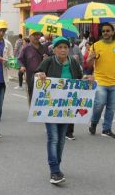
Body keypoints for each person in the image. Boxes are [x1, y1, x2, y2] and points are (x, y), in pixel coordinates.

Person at [35, 36, 89, 184]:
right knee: (53, 138)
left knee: (61, 139)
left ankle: (56, 164)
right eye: (60, 47)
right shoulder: (48, 61)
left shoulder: (73, 62)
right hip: (50, 107)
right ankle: (54, 171)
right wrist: (40, 75)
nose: (63, 50)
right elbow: (37, 75)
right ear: (54, 49)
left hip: (67, 107)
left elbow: (79, 78)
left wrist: (87, 79)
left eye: (66, 47)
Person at [87, 22, 115, 138]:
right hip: (100, 81)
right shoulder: (95, 46)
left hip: (114, 82)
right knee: (99, 103)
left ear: (113, 32)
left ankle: (106, 129)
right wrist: (91, 58)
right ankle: (94, 122)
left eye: (108, 30)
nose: (105, 33)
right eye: (103, 31)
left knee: (111, 107)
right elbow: (89, 64)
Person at [18, 31, 49, 103]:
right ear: (30, 36)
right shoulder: (25, 48)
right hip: (31, 77)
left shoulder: (44, 47)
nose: (36, 37)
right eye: (34, 35)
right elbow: (19, 60)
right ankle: (32, 112)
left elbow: (50, 60)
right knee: (32, 96)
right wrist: (22, 66)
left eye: (38, 35)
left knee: (43, 97)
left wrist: (47, 58)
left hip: (43, 76)